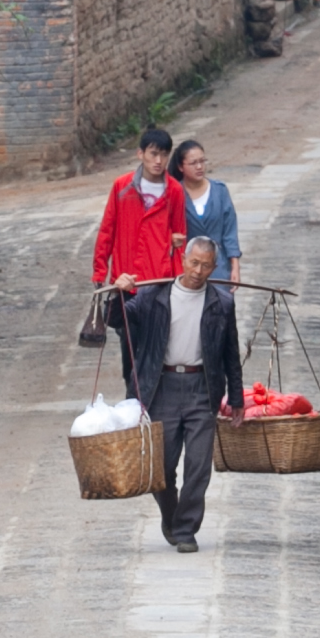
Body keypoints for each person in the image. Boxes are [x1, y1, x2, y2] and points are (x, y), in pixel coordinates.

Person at [123, 236, 243, 553]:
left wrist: (237, 398)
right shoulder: (154, 295)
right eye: (194, 262)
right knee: (161, 468)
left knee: (198, 465)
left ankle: (186, 530)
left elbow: (232, 353)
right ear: (183, 260)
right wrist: (120, 294)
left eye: (206, 265)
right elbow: (119, 320)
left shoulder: (221, 303)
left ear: (213, 267)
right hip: (162, 387)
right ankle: (171, 514)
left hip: (202, 389)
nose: (199, 270)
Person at [89, 127, 188, 367]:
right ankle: (133, 400)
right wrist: (100, 273)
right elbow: (107, 231)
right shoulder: (122, 187)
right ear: (140, 154)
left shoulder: (174, 190)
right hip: (127, 283)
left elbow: (180, 238)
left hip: (160, 283)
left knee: (159, 351)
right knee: (130, 352)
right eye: (153, 154)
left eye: (164, 155)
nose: (158, 161)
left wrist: (179, 279)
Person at [174, 139, 241, 284]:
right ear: (180, 166)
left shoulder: (219, 190)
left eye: (202, 161)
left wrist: (235, 267)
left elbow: (230, 232)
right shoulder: (174, 193)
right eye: (193, 163)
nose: (199, 167)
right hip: (188, 269)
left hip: (218, 266)